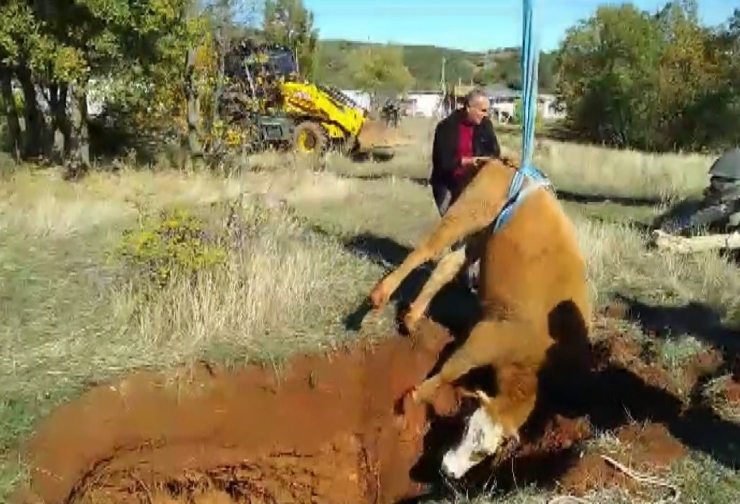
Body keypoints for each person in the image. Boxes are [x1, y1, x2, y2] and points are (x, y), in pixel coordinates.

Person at [430, 88, 502, 289]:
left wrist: (487, 161)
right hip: (446, 185)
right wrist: (466, 161)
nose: (485, 114)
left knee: (475, 232)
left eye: (487, 110)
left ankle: (471, 277)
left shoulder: (485, 126)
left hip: (472, 187)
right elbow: (442, 161)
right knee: (457, 233)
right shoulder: (445, 128)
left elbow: (495, 151)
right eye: (482, 110)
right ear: (468, 107)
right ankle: (462, 277)